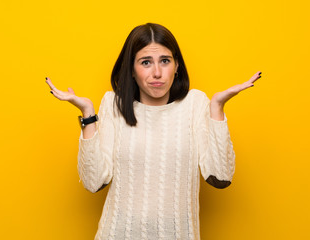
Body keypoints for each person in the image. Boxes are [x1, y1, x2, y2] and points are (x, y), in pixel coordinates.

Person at [45, 23, 262, 240]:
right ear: (131, 69)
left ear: (176, 66)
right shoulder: (113, 104)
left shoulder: (195, 104)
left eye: (165, 61)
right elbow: (93, 182)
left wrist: (217, 109)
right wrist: (88, 113)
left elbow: (221, 176)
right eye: (146, 62)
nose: (157, 73)